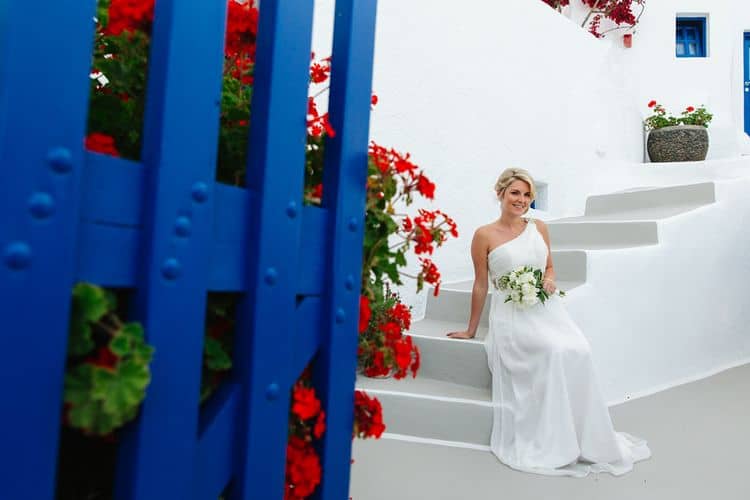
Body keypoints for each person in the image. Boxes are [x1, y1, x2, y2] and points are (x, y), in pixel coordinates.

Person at [447, 168, 651, 477]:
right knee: (554, 352)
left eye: (528, 195)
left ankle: (587, 438)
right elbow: (480, 284)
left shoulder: (539, 227)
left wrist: (549, 279)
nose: (522, 199)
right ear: (500, 193)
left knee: (579, 349)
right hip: (511, 313)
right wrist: (472, 329)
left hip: (547, 309)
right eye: (515, 192)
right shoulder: (484, 235)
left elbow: (550, 266)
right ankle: (556, 442)